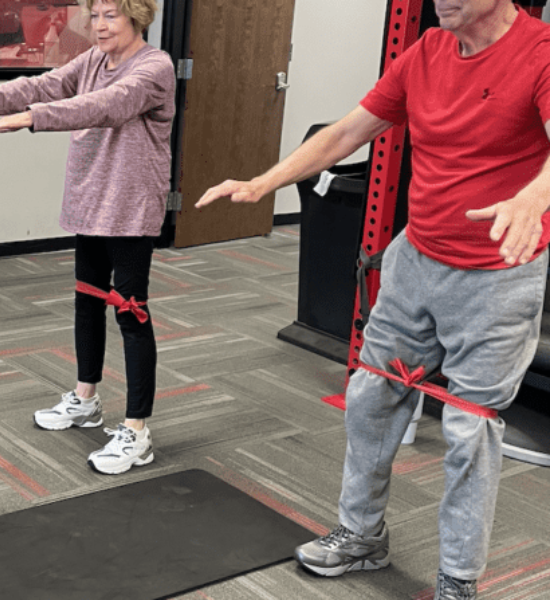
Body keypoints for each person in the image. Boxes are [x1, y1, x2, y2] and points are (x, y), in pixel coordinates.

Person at [196, 1, 550, 598]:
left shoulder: (540, 54)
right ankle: (360, 535)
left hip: (497, 271)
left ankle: (458, 578)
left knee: (470, 428)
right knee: (370, 396)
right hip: (416, 257)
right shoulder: (429, 51)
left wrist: (534, 197)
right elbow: (345, 132)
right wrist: (265, 181)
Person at [0, 0, 175, 475]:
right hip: (90, 198)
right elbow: (41, 84)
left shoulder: (155, 67)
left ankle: (138, 431)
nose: (99, 25)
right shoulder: (91, 61)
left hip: (128, 206)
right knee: (87, 300)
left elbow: (108, 105)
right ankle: (86, 398)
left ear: (137, 17)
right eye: (96, 14)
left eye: (112, 15)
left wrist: (33, 118)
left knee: (129, 312)